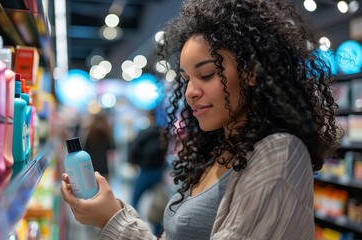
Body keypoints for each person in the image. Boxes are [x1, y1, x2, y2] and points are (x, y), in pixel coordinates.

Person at [61, 0, 343, 239]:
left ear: (251, 72)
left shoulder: (280, 151)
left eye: (207, 74)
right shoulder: (218, 151)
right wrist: (113, 212)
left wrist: (115, 220)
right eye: (186, 79)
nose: (190, 92)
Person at [128, 109, 169, 236]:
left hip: (145, 170)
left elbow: (134, 148)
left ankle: (133, 227)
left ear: (150, 117)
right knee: (157, 202)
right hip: (158, 171)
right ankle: (157, 231)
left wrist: (134, 162)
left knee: (134, 200)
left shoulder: (144, 132)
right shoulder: (163, 133)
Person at [83, 113, 116, 181]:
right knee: (104, 183)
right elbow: (112, 147)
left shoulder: (91, 132)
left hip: (92, 164)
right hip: (103, 164)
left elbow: (85, 148)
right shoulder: (107, 132)